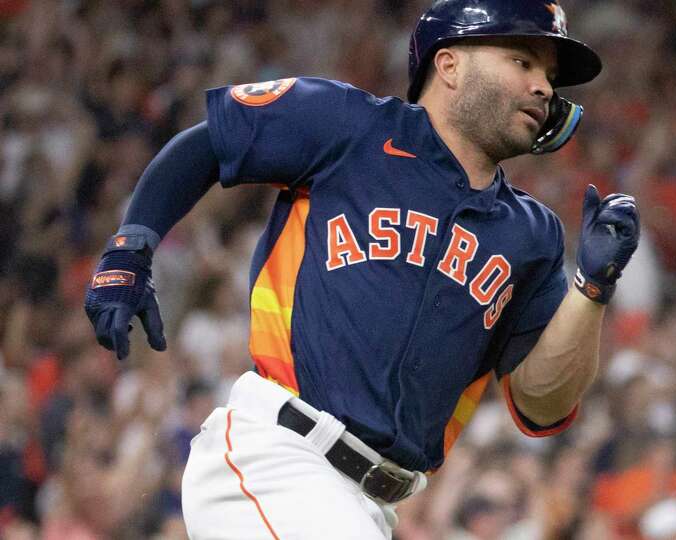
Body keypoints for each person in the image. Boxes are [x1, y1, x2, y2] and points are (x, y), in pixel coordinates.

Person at [82, 1, 639, 538]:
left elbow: (540, 405)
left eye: (549, 73)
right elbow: (211, 142)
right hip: (278, 455)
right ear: (449, 63)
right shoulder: (350, 125)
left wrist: (592, 288)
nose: (544, 86)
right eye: (522, 60)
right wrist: (131, 247)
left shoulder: (532, 234)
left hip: (370, 505)